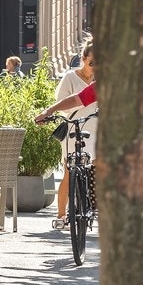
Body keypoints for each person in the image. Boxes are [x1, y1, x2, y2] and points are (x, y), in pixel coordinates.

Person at [37, 42, 97, 230]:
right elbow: (77, 99)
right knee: (70, 170)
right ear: (84, 60)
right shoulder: (74, 78)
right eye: (92, 62)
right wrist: (49, 112)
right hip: (75, 127)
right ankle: (62, 214)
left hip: (98, 127)